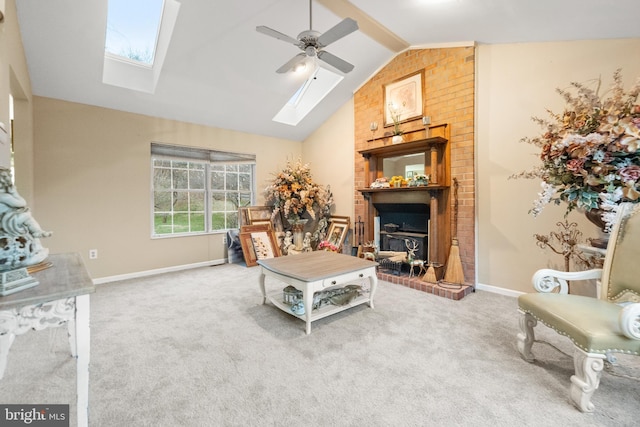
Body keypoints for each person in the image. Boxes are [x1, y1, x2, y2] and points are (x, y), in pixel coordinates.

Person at [0, 168, 52, 267]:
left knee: (26, 221)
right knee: (27, 215)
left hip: (7, 219)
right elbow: (21, 203)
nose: (7, 179)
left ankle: (37, 240)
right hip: (7, 222)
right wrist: (14, 193)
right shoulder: (4, 196)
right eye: (4, 177)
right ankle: (37, 232)